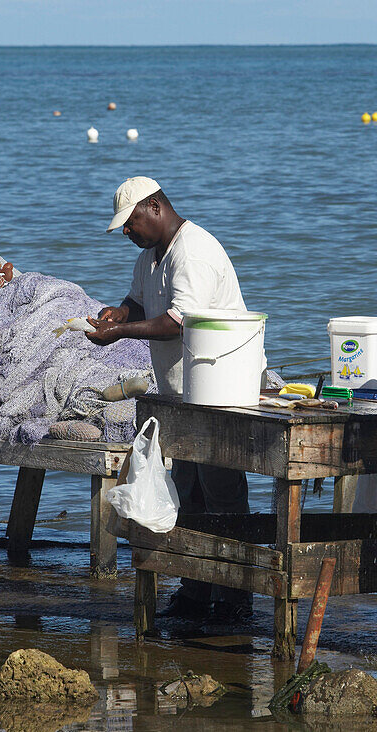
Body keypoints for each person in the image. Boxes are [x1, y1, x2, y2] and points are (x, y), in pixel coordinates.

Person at [86, 176, 254, 623]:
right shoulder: (151, 257)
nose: (127, 232)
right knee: (190, 496)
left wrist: (119, 332)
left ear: (155, 207)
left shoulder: (193, 252)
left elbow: (179, 322)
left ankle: (236, 597)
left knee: (223, 497)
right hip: (182, 396)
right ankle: (198, 591)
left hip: (219, 394)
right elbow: (139, 304)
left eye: (131, 222)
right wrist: (118, 313)